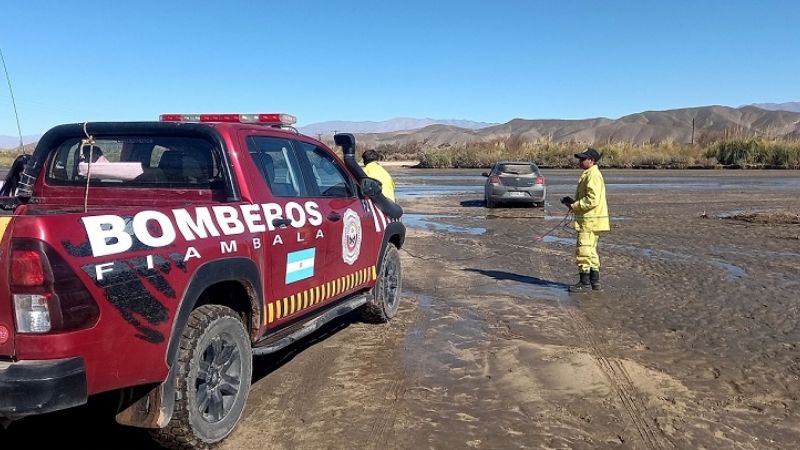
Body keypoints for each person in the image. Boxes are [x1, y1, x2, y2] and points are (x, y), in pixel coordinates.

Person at [560, 148, 609, 293]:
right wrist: (574, 203)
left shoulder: (593, 175)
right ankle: (595, 282)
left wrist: (574, 205)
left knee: (584, 250)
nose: (580, 161)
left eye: (583, 159)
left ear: (591, 161)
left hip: (590, 221)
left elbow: (592, 200)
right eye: (580, 159)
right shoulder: (591, 174)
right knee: (591, 251)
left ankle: (585, 283)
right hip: (593, 219)